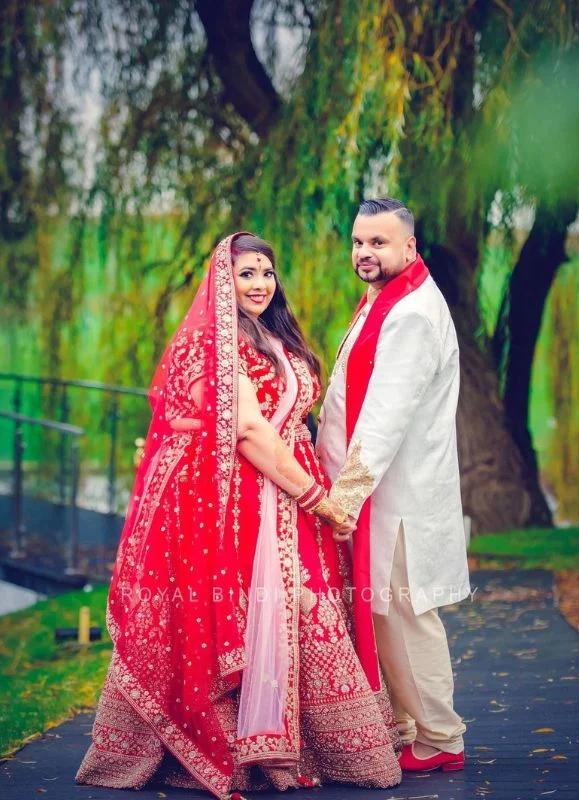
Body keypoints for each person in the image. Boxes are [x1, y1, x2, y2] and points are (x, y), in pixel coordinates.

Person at [75, 232, 402, 800]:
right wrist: (317, 500)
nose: (259, 284)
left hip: (286, 491)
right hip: (243, 502)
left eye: (266, 273)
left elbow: (292, 419)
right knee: (261, 615)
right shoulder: (213, 344)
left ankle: (311, 748)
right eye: (246, 274)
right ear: (221, 282)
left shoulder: (275, 335)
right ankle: (242, 752)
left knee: (301, 613)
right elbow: (248, 431)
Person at [316, 197, 471, 773]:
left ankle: (440, 737)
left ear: (409, 246)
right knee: (383, 614)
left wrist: (344, 497)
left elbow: (384, 415)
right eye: (359, 242)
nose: (364, 252)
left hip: (394, 499)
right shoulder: (385, 298)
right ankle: (408, 724)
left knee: (405, 616)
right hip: (383, 494)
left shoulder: (408, 314)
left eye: (378, 243)